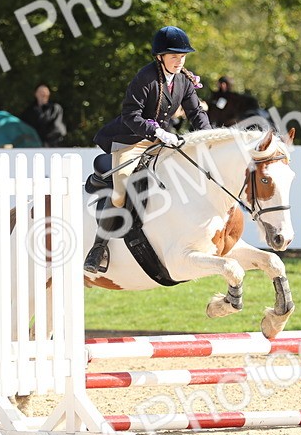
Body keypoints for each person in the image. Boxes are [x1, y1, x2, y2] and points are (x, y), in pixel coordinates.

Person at [84, 25, 212, 273]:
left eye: (182, 56)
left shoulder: (184, 81)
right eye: (174, 56)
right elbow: (130, 115)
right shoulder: (146, 78)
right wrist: (157, 132)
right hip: (131, 140)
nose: (179, 60)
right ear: (160, 56)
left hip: (160, 141)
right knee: (121, 185)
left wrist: (208, 138)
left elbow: (196, 113)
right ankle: (98, 248)